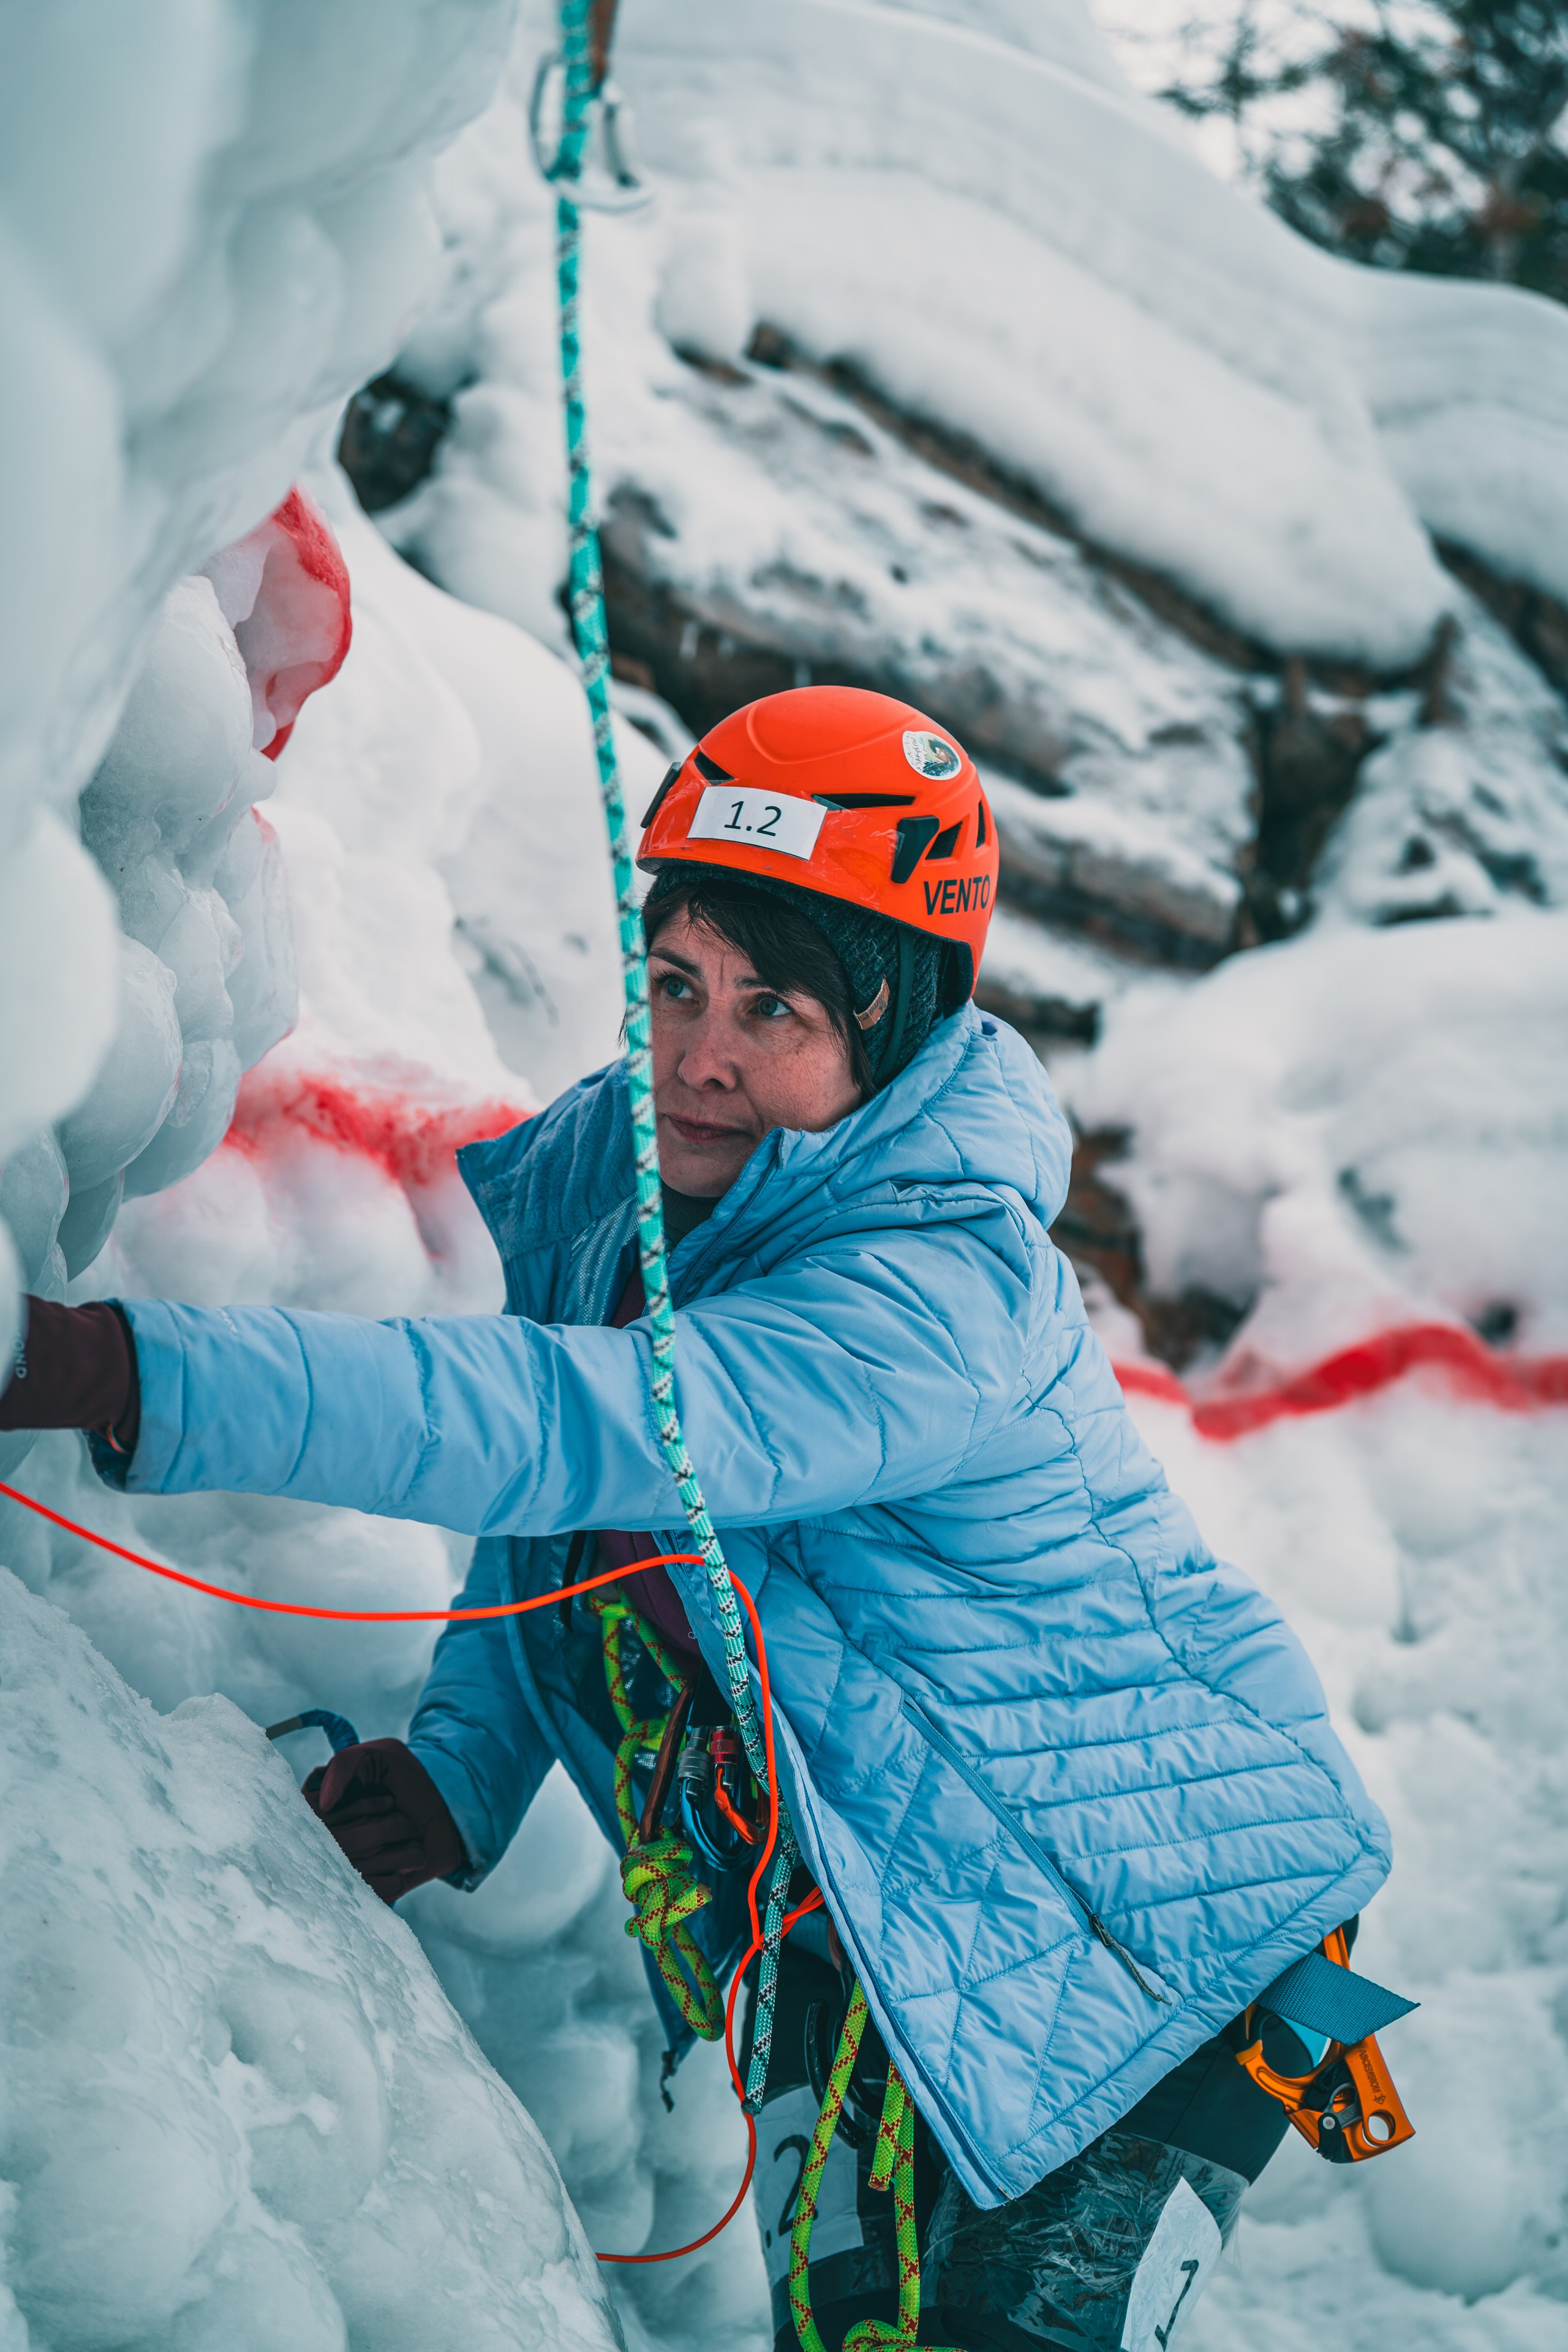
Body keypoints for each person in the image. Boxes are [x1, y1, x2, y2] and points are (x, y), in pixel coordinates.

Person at [1, 687, 1391, 2350]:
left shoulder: (943, 1292)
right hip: (873, 1888)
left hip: (1152, 1925)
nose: (699, 1052)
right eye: (674, 983)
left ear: (893, 1037)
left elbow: (573, 1432)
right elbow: (570, 1511)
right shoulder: (638, 1163)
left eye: (774, 1010)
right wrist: (469, 1762)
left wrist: (99, 1362)